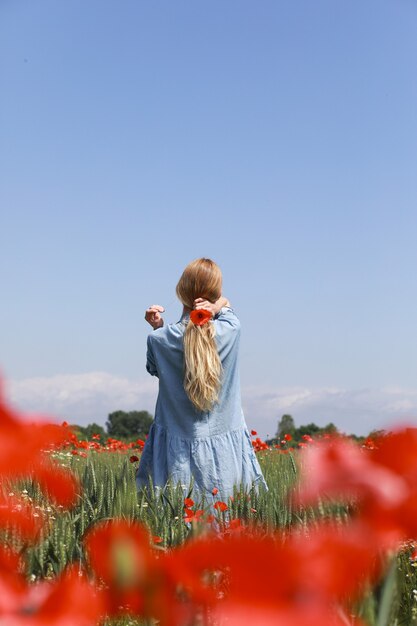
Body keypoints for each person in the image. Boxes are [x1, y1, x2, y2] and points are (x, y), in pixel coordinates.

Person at [135, 257, 268, 505]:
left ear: (180, 292)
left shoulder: (159, 339)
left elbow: (156, 369)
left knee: (174, 527)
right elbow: (222, 307)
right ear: (216, 293)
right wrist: (218, 306)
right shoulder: (232, 329)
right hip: (226, 457)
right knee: (230, 529)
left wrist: (159, 328)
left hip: (176, 459)